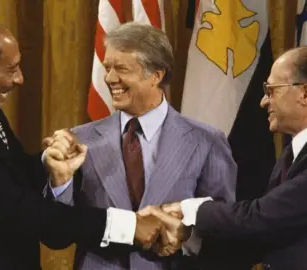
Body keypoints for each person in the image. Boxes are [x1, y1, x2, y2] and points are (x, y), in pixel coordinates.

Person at [0, 15, 163, 270]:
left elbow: (10, 175)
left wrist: (49, 160)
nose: (20, 79)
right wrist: (129, 226)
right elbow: (28, 215)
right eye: (11, 70)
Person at [142, 46, 307, 269]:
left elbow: (260, 217)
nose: (263, 101)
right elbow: (267, 234)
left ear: (305, 93)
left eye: (271, 90)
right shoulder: (299, 152)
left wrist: (188, 209)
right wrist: (188, 238)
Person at [53, 22, 237, 269]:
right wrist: (59, 182)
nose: (110, 78)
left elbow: (224, 226)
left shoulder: (206, 141)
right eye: (107, 68)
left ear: (156, 75)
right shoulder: (80, 140)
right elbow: (57, 227)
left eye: (121, 69)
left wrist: (182, 237)